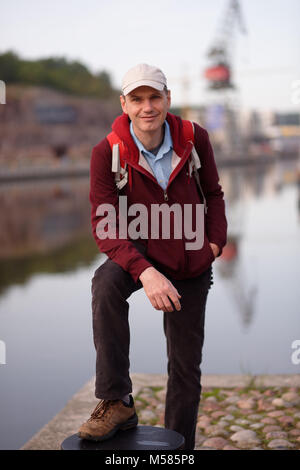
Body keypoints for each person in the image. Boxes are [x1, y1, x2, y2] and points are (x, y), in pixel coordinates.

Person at [78, 63, 227, 450]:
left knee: (184, 367)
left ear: (168, 100)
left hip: (190, 252)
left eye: (155, 97)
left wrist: (213, 245)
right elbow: (105, 225)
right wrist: (145, 272)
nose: (148, 107)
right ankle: (116, 400)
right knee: (106, 282)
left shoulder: (195, 139)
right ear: (124, 103)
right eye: (138, 99)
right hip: (139, 247)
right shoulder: (106, 152)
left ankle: (179, 447)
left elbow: (213, 194)